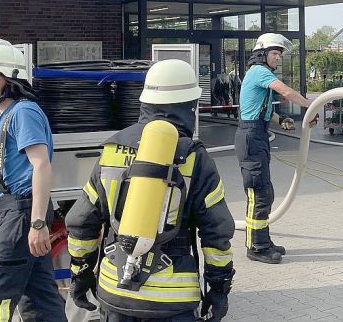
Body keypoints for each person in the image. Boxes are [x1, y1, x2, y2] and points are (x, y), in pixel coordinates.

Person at [65, 59, 235, 322]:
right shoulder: (195, 158)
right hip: (172, 300)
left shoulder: (111, 150)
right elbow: (218, 231)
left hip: (115, 291)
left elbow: (80, 221)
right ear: (190, 105)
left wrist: (81, 273)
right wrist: (219, 288)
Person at [0, 36, 67, 322]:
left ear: (10, 79)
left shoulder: (23, 112)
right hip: (17, 209)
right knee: (39, 297)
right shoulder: (8, 113)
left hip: (24, 213)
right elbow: (5, 168)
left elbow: (41, 165)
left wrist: (36, 223)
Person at [235, 33, 316, 264]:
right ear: (261, 54)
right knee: (258, 194)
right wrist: (312, 105)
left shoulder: (260, 75)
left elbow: (263, 110)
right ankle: (256, 247)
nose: (277, 58)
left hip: (256, 135)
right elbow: (288, 92)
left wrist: (281, 120)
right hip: (251, 137)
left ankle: (263, 241)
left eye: (279, 54)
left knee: (264, 193)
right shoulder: (259, 71)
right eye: (274, 53)